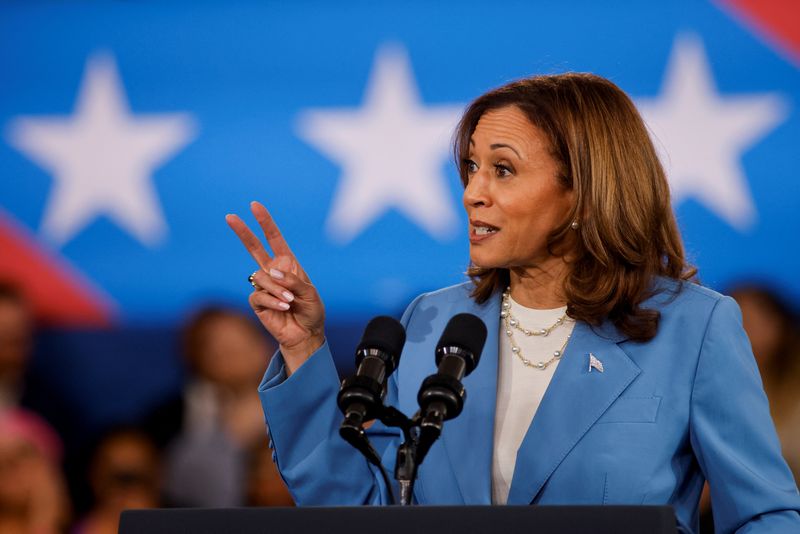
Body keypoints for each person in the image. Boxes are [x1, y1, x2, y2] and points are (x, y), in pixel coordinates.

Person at [226, 73, 800, 533]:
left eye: (503, 169)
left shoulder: (692, 327)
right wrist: (303, 346)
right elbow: (363, 506)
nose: (474, 191)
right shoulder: (431, 323)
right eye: (472, 167)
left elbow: (763, 515)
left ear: (583, 190)